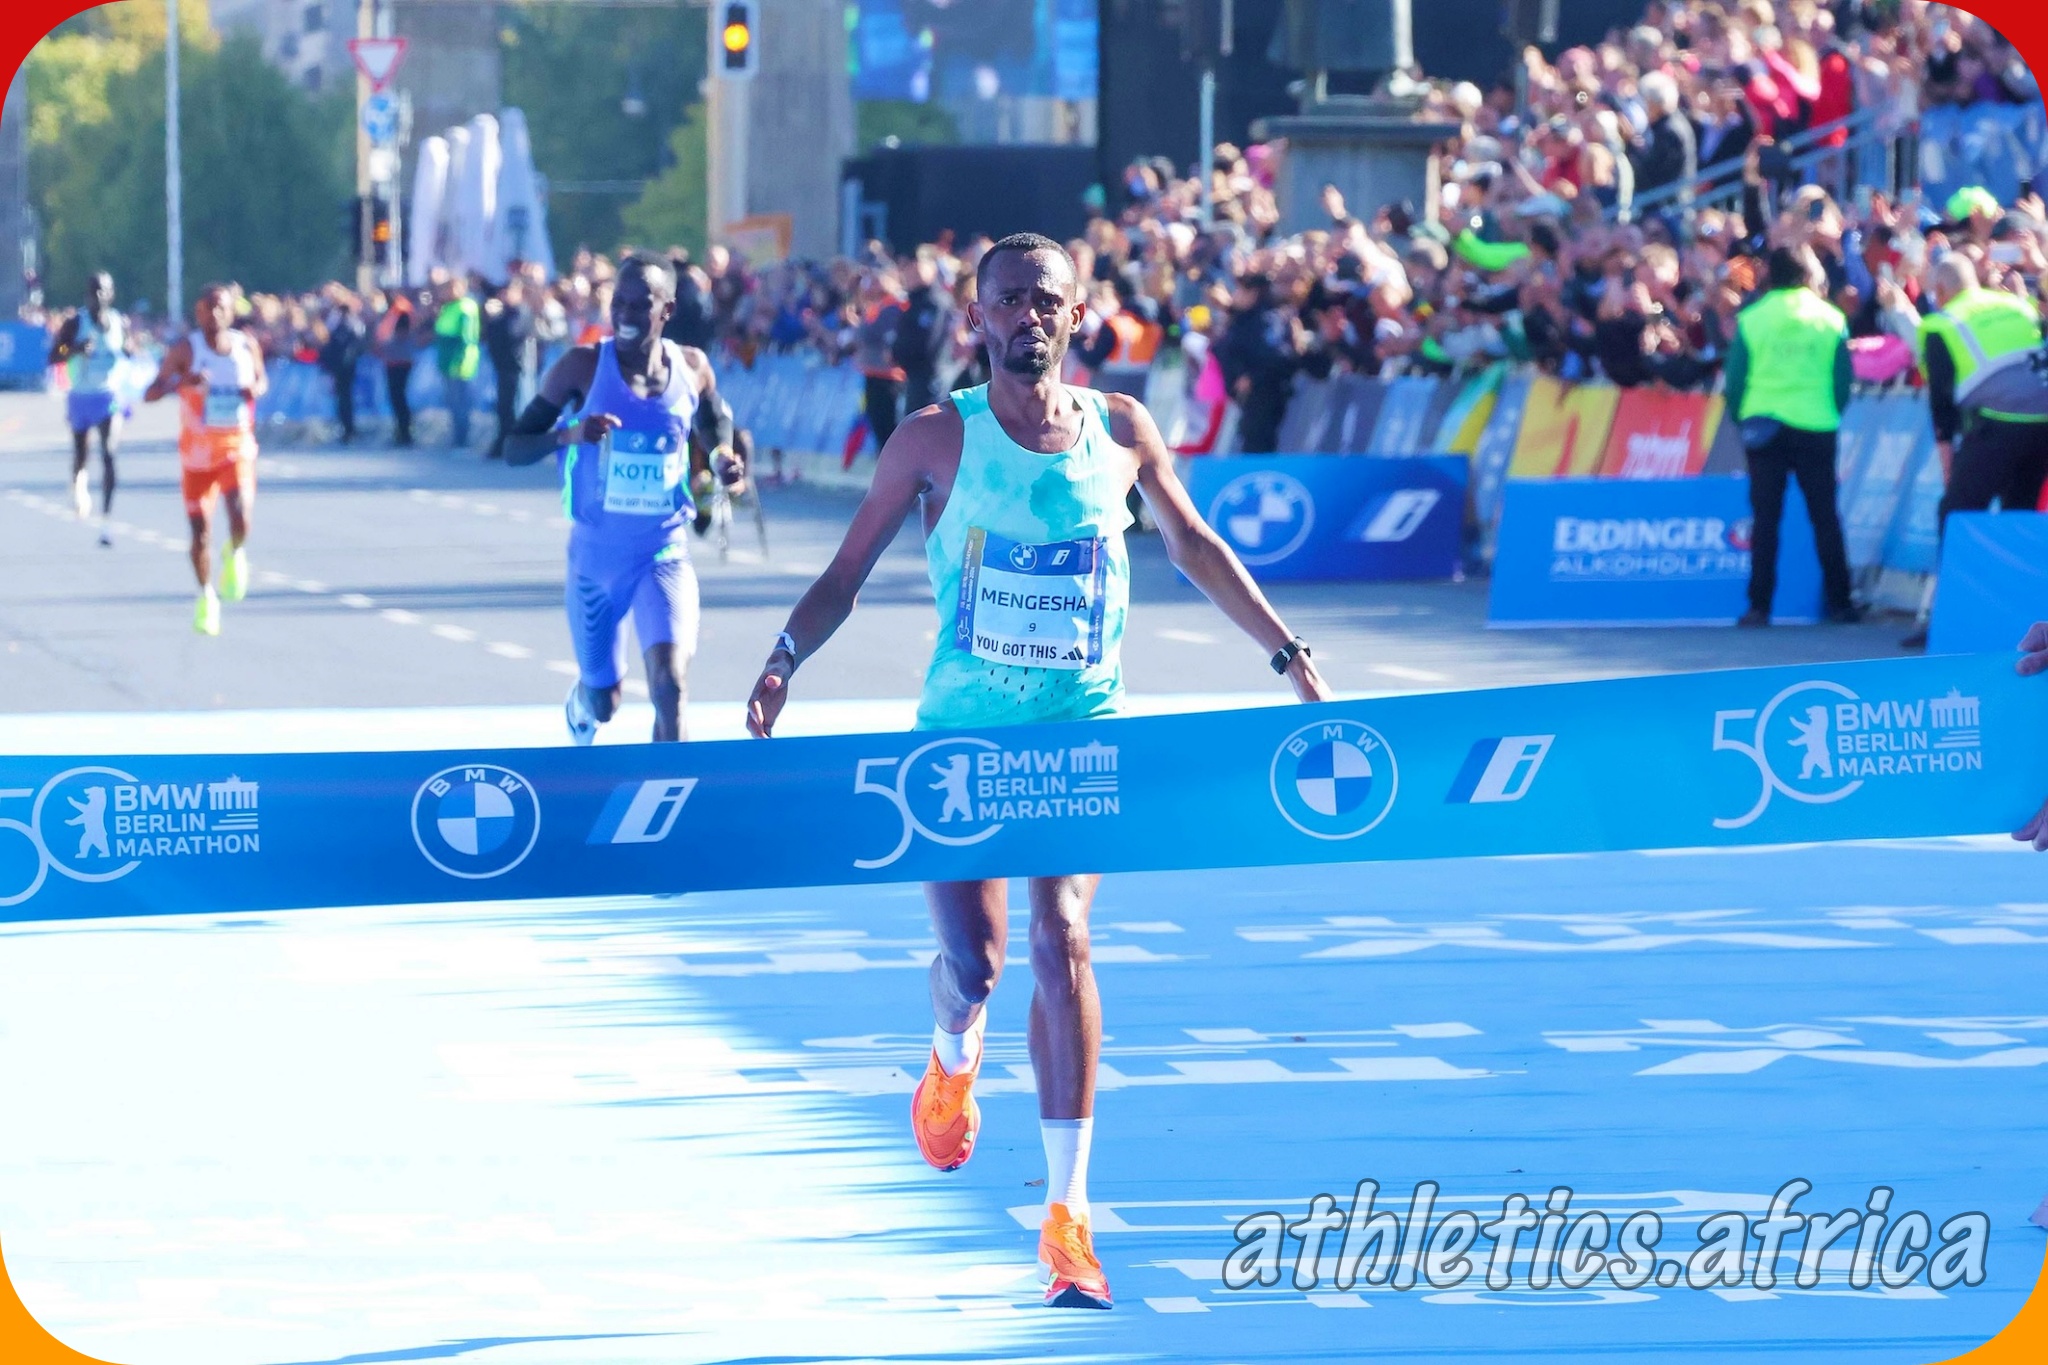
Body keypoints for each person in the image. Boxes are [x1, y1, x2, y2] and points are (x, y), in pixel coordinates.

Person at [742, 234, 1331, 1310]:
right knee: (973, 965)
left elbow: (1192, 542)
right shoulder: (932, 439)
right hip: (960, 743)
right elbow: (847, 569)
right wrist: (783, 660)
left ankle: (1067, 1219)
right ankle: (949, 1055)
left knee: (1064, 937)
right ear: (975, 320)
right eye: (1008, 300)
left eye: (1046, 300)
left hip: (1081, 734)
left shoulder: (1119, 430)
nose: (1028, 317)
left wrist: (1285, 653)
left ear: (1076, 313)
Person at [502, 256, 735, 744]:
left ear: (666, 310)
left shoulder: (692, 368)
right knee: (605, 702)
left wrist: (723, 458)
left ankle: (669, 800)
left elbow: (717, 425)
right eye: (618, 303)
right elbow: (515, 448)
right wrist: (570, 434)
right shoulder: (581, 368)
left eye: (640, 305)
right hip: (596, 559)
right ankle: (582, 704)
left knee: (670, 686)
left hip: (664, 553)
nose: (626, 314)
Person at [1903, 255, 2048, 649]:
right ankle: (2019, 615)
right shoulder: (2017, 304)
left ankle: (1948, 614)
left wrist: (1947, 458)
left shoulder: (1941, 323)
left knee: (1956, 514)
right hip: (2042, 425)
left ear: (1941, 291)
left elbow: (1942, 400)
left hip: (1997, 424)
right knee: (2018, 515)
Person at [1724, 246, 1860, 627]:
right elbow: (1843, 379)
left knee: (1766, 519)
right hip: (1816, 424)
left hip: (1764, 425)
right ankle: (1841, 603)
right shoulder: (1830, 317)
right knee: (1825, 517)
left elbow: (1734, 380)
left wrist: (1742, 417)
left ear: (1771, 275)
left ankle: (1759, 606)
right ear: (1806, 275)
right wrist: (1831, 411)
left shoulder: (1753, 318)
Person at [143, 284, 268, 636]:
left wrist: (255, 389)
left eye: (221, 308)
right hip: (197, 454)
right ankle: (206, 597)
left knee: (240, 514)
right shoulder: (186, 349)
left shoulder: (247, 346)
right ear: (197, 313)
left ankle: (234, 551)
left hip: (236, 444)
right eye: (208, 308)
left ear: (232, 312)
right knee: (200, 533)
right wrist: (184, 381)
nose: (214, 314)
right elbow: (151, 392)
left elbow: (261, 379)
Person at [44, 271, 130, 544]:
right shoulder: (75, 323)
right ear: (87, 295)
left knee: (109, 453)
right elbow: (52, 356)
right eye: (94, 291)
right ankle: (78, 484)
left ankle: (107, 520)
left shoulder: (119, 322)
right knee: (82, 453)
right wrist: (74, 350)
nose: (99, 296)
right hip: (81, 396)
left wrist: (130, 350)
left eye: (104, 291)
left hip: (108, 396)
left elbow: (129, 349)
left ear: (112, 294)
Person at [484, 279, 533, 460]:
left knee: (515, 408)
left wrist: (498, 319)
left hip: (516, 368)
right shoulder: (500, 315)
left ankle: (515, 445)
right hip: (502, 367)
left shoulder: (521, 313)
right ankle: (503, 443)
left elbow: (514, 333)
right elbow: (489, 337)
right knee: (503, 408)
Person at [434, 275, 482, 449]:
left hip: (460, 361)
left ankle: (462, 437)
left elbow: (467, 337)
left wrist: (460, 359)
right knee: (452, 401)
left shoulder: (466, 307)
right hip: (447, 360)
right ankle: (456, 435)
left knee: (461, 401)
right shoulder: (448, 307)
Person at [318, 288, 367, 445]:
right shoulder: (344, 322)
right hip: (342, 364)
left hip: (344, 364)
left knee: (344, 397)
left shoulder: (348, 323)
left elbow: (353, 343)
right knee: (342, 397)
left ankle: (348, 429)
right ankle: (345, 427)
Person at [374, 292, 422, 447]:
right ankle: (401, 430)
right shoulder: (393, 313)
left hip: (400, 361)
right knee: (395, 398)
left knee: (399, 397)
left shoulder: (401, 313)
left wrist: (386, 345)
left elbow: (401, 334)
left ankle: (405, 431)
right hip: (393, 360)